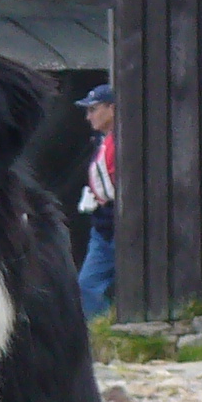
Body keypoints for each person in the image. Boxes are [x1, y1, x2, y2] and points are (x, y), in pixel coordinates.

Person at [75, 84, 116, 318]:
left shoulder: (124, 141)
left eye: (93, 109)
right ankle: (100, 332)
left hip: (120, 223)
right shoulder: (100, 141)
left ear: (112, 108)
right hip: (103, 225)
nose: (89, 116)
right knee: (87, 286)